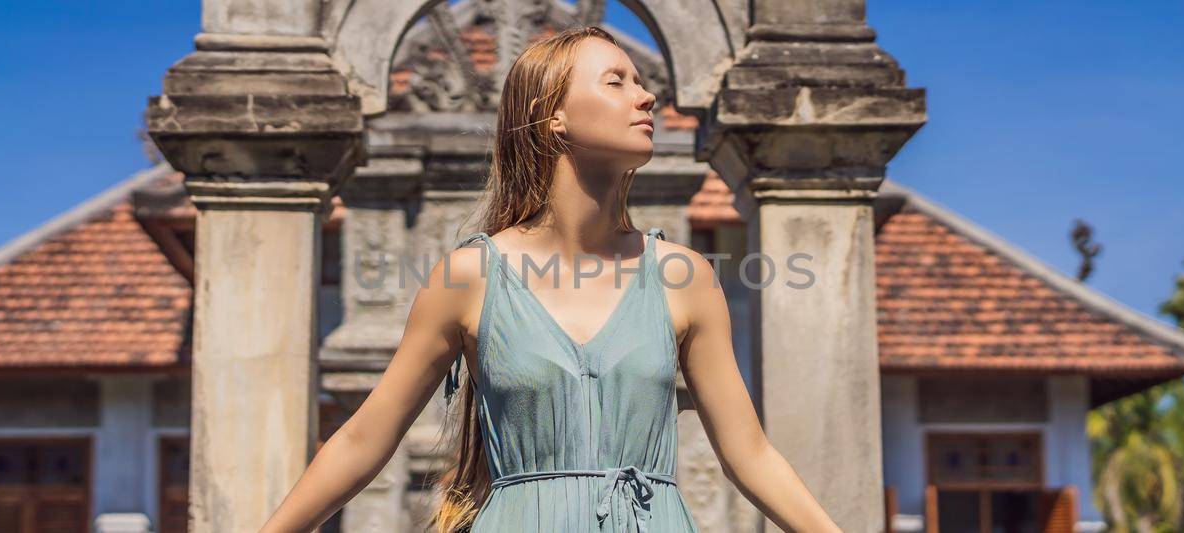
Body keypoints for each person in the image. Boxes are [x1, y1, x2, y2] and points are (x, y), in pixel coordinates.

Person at [259, 26, 841, 533]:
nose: (646, 96)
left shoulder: (684, 277)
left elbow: (752, 457)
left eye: (639, 81)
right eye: (616, 82)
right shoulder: (469, 277)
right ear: (552, 115)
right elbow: (365, 440)